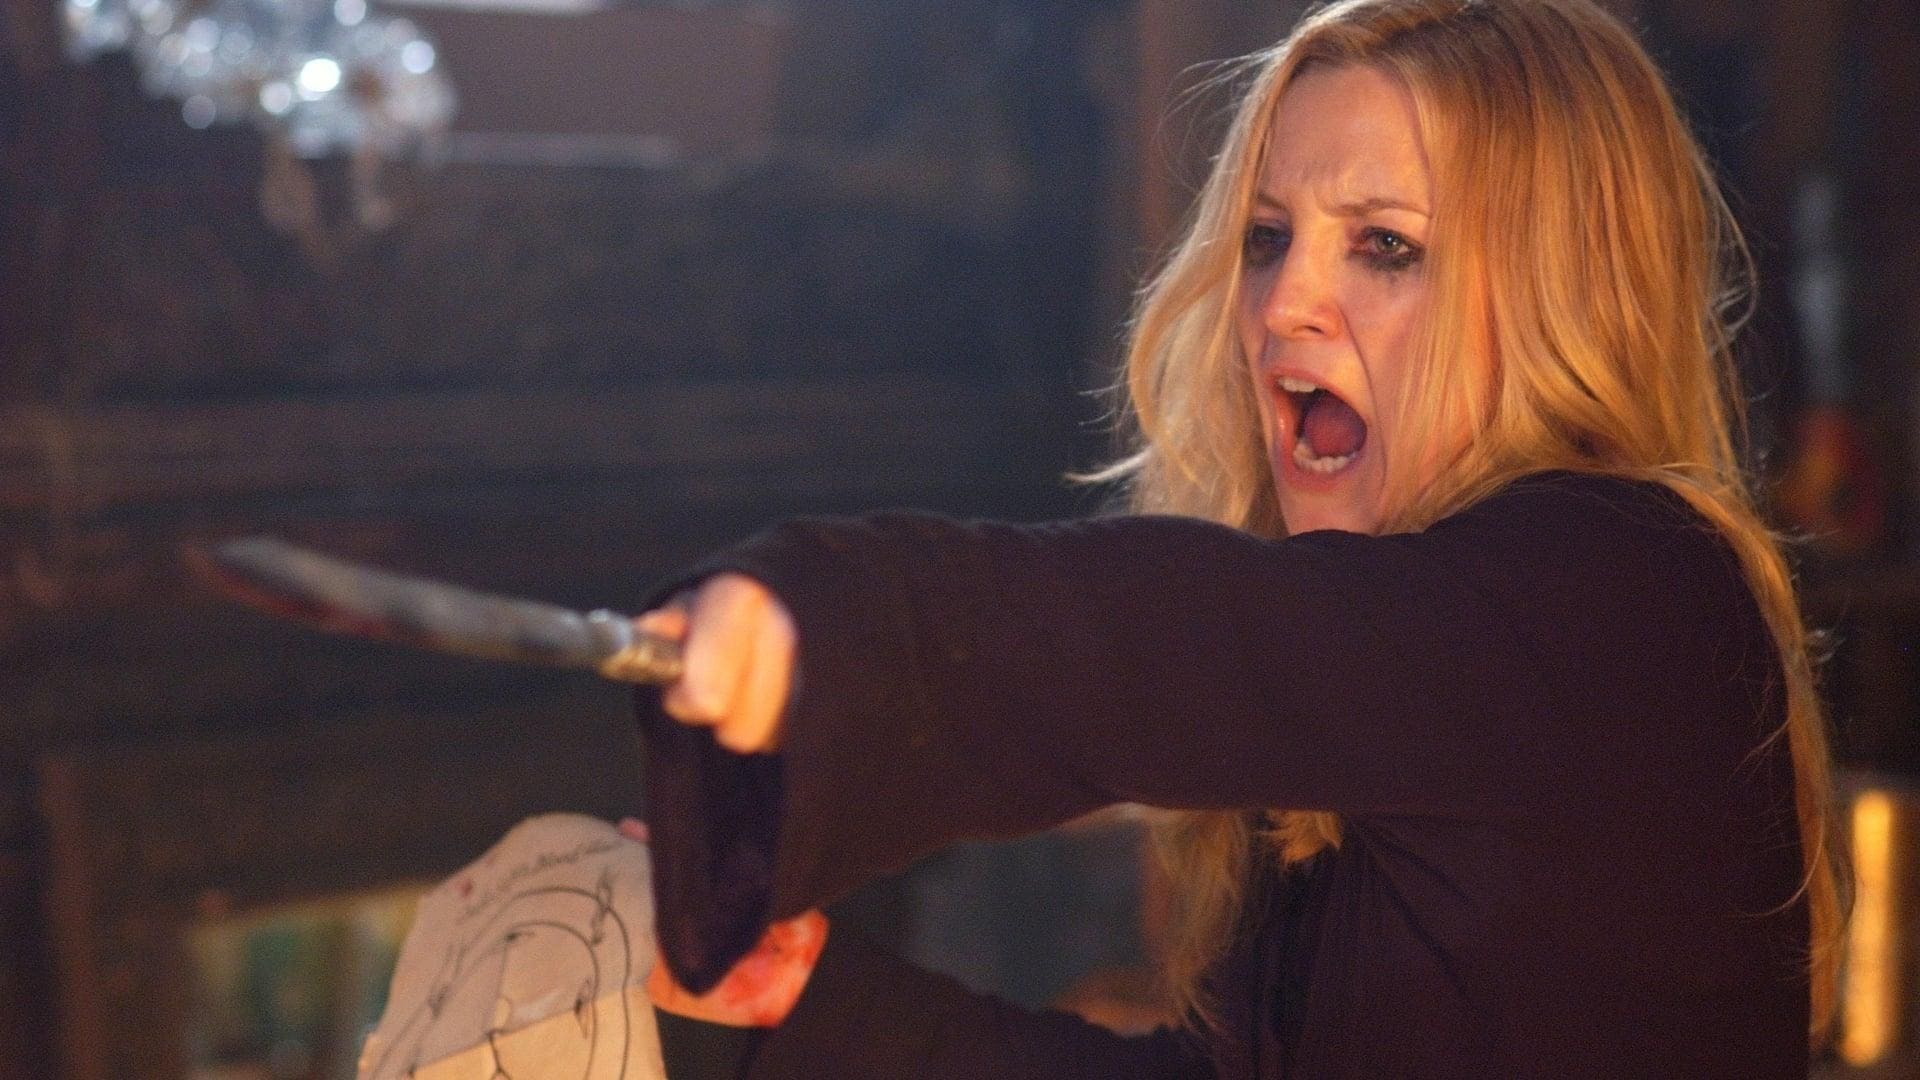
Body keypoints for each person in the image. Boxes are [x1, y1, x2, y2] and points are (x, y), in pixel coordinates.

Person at [629, 0, 1846, 1076]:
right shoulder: (1397, 705)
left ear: (1559, 292)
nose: (1281, 305)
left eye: (1384, 245)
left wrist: (829, 624)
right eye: (1268, 238)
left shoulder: (1625, 590)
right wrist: (817, 1001)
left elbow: (1160, 641)